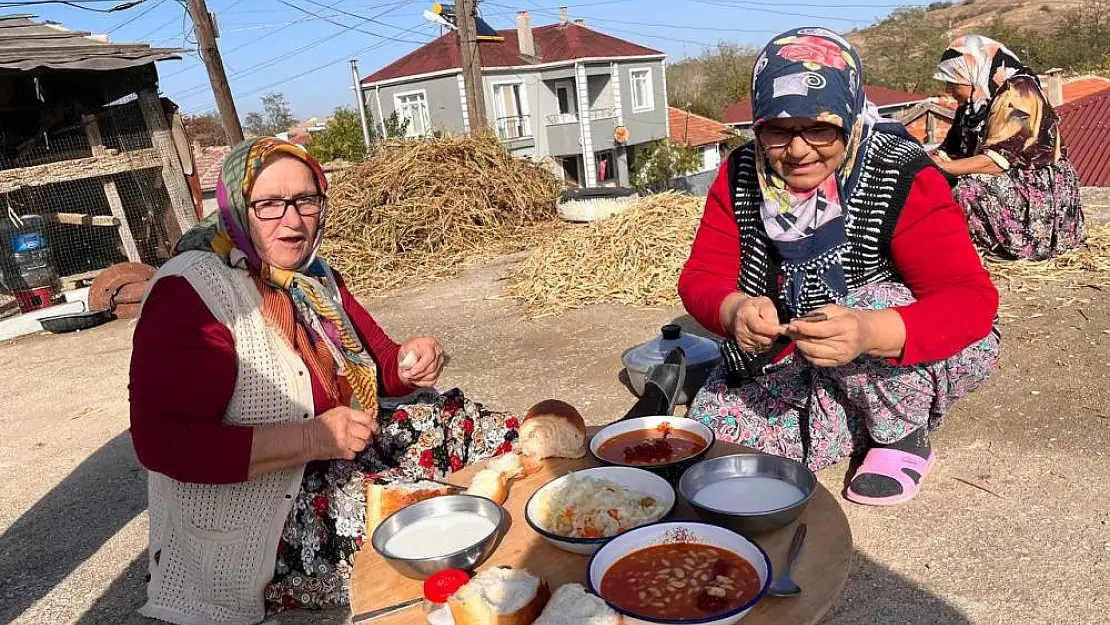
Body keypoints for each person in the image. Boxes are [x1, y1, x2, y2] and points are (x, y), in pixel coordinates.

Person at [128, 138, 520, 624]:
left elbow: (375, 361)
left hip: (338, 451)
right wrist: (311, 438)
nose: (292, 222)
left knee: (459, 419)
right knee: (426, 523)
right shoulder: (189, 292)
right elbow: (163, 443)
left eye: (306, 201)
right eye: (269, 204)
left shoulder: (313, 277)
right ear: (234, 206)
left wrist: (407, 363)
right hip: (265, 516)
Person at [678, 28, 1001, 507]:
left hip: (908, 354)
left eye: (820, 128)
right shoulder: (740, 173)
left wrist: (870, 331)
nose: (799, 149)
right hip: (797, 358)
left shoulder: (899, 171)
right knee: (711, 448)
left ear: (849, 118)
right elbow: (702, 275)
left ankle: (900, 434)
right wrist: (734, 311)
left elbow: (970, 300)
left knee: (866, 301)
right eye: (778, 130)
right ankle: (850, 421)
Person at [933, 34, 1085, 260]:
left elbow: (997, 161)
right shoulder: (973, 104)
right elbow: (949, 150)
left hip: (1032, 184)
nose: (949, 90)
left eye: (953, 82)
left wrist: (943, 168)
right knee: (930, 183)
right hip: (1005, 177)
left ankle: (1012, 246)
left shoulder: (1018, 92)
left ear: (970, 72)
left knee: (964, 190)